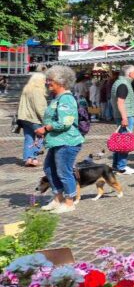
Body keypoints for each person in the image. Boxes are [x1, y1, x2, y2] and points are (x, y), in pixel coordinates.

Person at [36, 65, 84, 213]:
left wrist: (46, 128)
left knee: (64, 172)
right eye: (47, 79)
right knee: (49, 169)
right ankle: (58, 199)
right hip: (57, 141)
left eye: (50, 80)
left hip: (67, 142)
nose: (47, 82)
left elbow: (65, 122)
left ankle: (69, 202)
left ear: (61, 82)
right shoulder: (57, 98)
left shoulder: (66, 99)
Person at [111, 65, 134, 175]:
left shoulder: (120, 82)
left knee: (120, 142)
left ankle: (116, 165)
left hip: (122, 115)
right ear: (130, 74)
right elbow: (120, 102)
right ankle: (122, 167)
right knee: (124, 142)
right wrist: (124, 117)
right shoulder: (123, 84)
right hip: (125, 116)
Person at [17, 72, 47, 167]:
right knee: (40, 137)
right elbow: (40, 108)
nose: (45, 82)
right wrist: (46, 120)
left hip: (24, 118)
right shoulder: (37, 90)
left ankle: (28, 158)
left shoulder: (26, 89)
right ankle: (34, 158)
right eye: (44, 80)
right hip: (34, 119)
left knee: (28, 138)